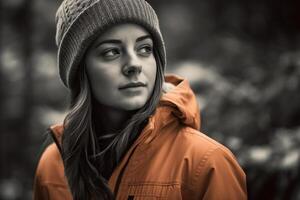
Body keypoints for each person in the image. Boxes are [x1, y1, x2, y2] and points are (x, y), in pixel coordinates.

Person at [33, 0, 247, 199]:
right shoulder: (53, 166)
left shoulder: (207, 163)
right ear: (80, 70)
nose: (134, 64)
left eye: (144, 49)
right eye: (111, 52)